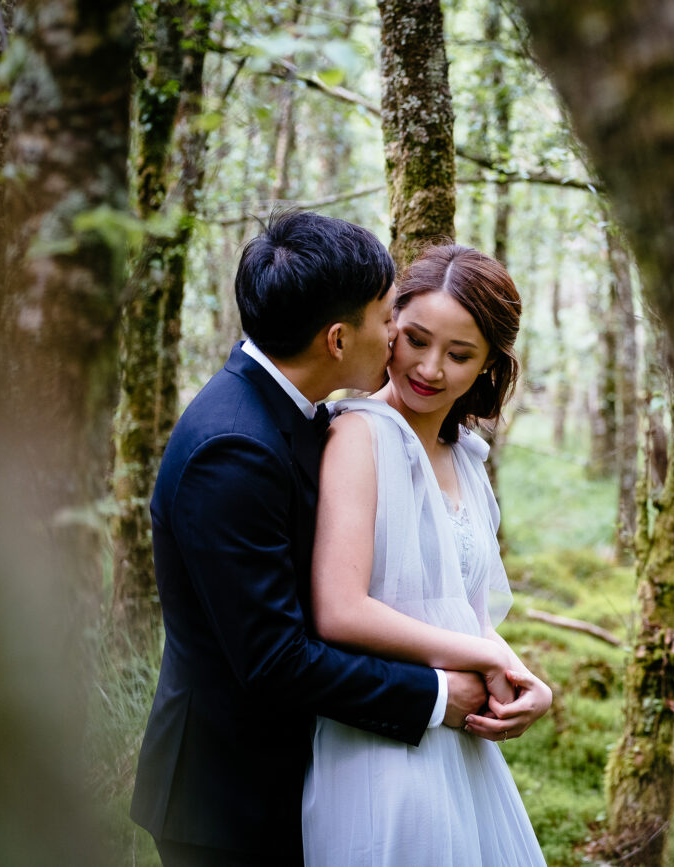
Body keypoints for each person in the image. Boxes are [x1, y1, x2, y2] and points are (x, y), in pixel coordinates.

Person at [131, 212, 488, 867]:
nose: (393, 339)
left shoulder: (287, 413)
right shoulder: (233, 447)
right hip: (226, 801)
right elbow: (272, 659)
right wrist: (436, 696)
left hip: (293, 775)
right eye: (387, 320)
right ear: (336, 338)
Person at [302, 244, 550, 866]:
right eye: (414, 339)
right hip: (381, 739)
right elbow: (340, 609)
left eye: (460, 355)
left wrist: (525, 683)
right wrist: (484, 656)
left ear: (491, 365)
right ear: (389, 327)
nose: (430, 368)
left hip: (460, 747)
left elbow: (466, 612)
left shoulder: (466, 454)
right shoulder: (357, 433)